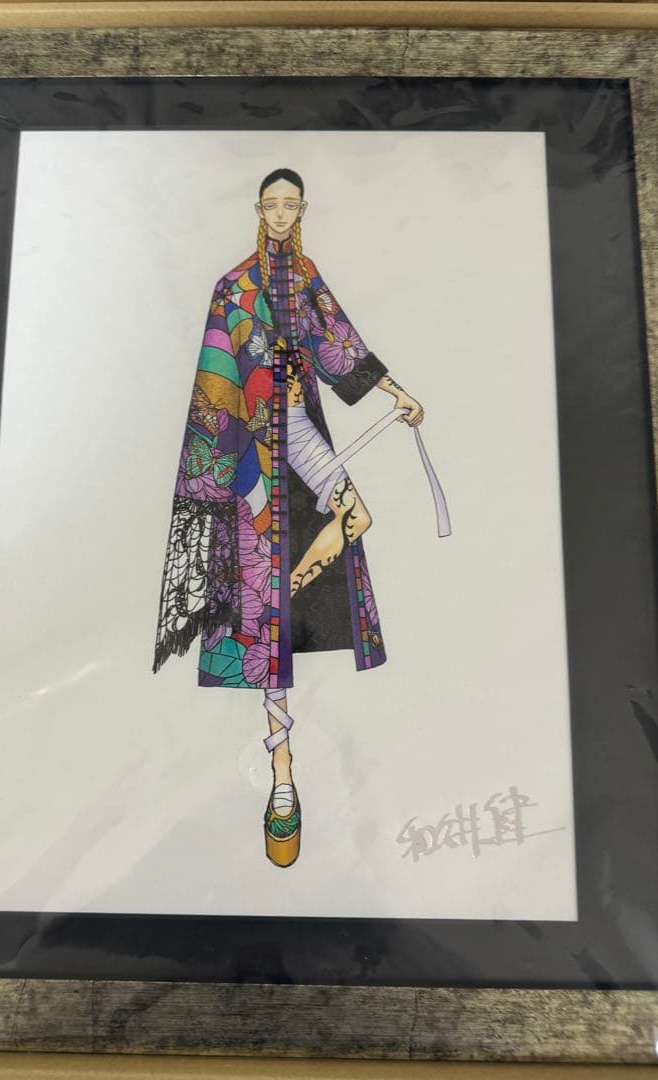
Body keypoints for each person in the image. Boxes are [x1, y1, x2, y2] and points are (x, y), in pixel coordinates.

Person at [154, 167, 424, 867]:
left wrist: (397, 393)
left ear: (300, 209)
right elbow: (214, 384)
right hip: (252, 448)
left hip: (299, 431)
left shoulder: (304, 278)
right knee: (262, 610)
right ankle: (282, 777)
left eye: (290, 204)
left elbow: (341, 346)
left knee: (355, 518)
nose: (280, 213)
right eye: (271, 204)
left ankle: (288, 589)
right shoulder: (233, 288)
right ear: (258, 208)